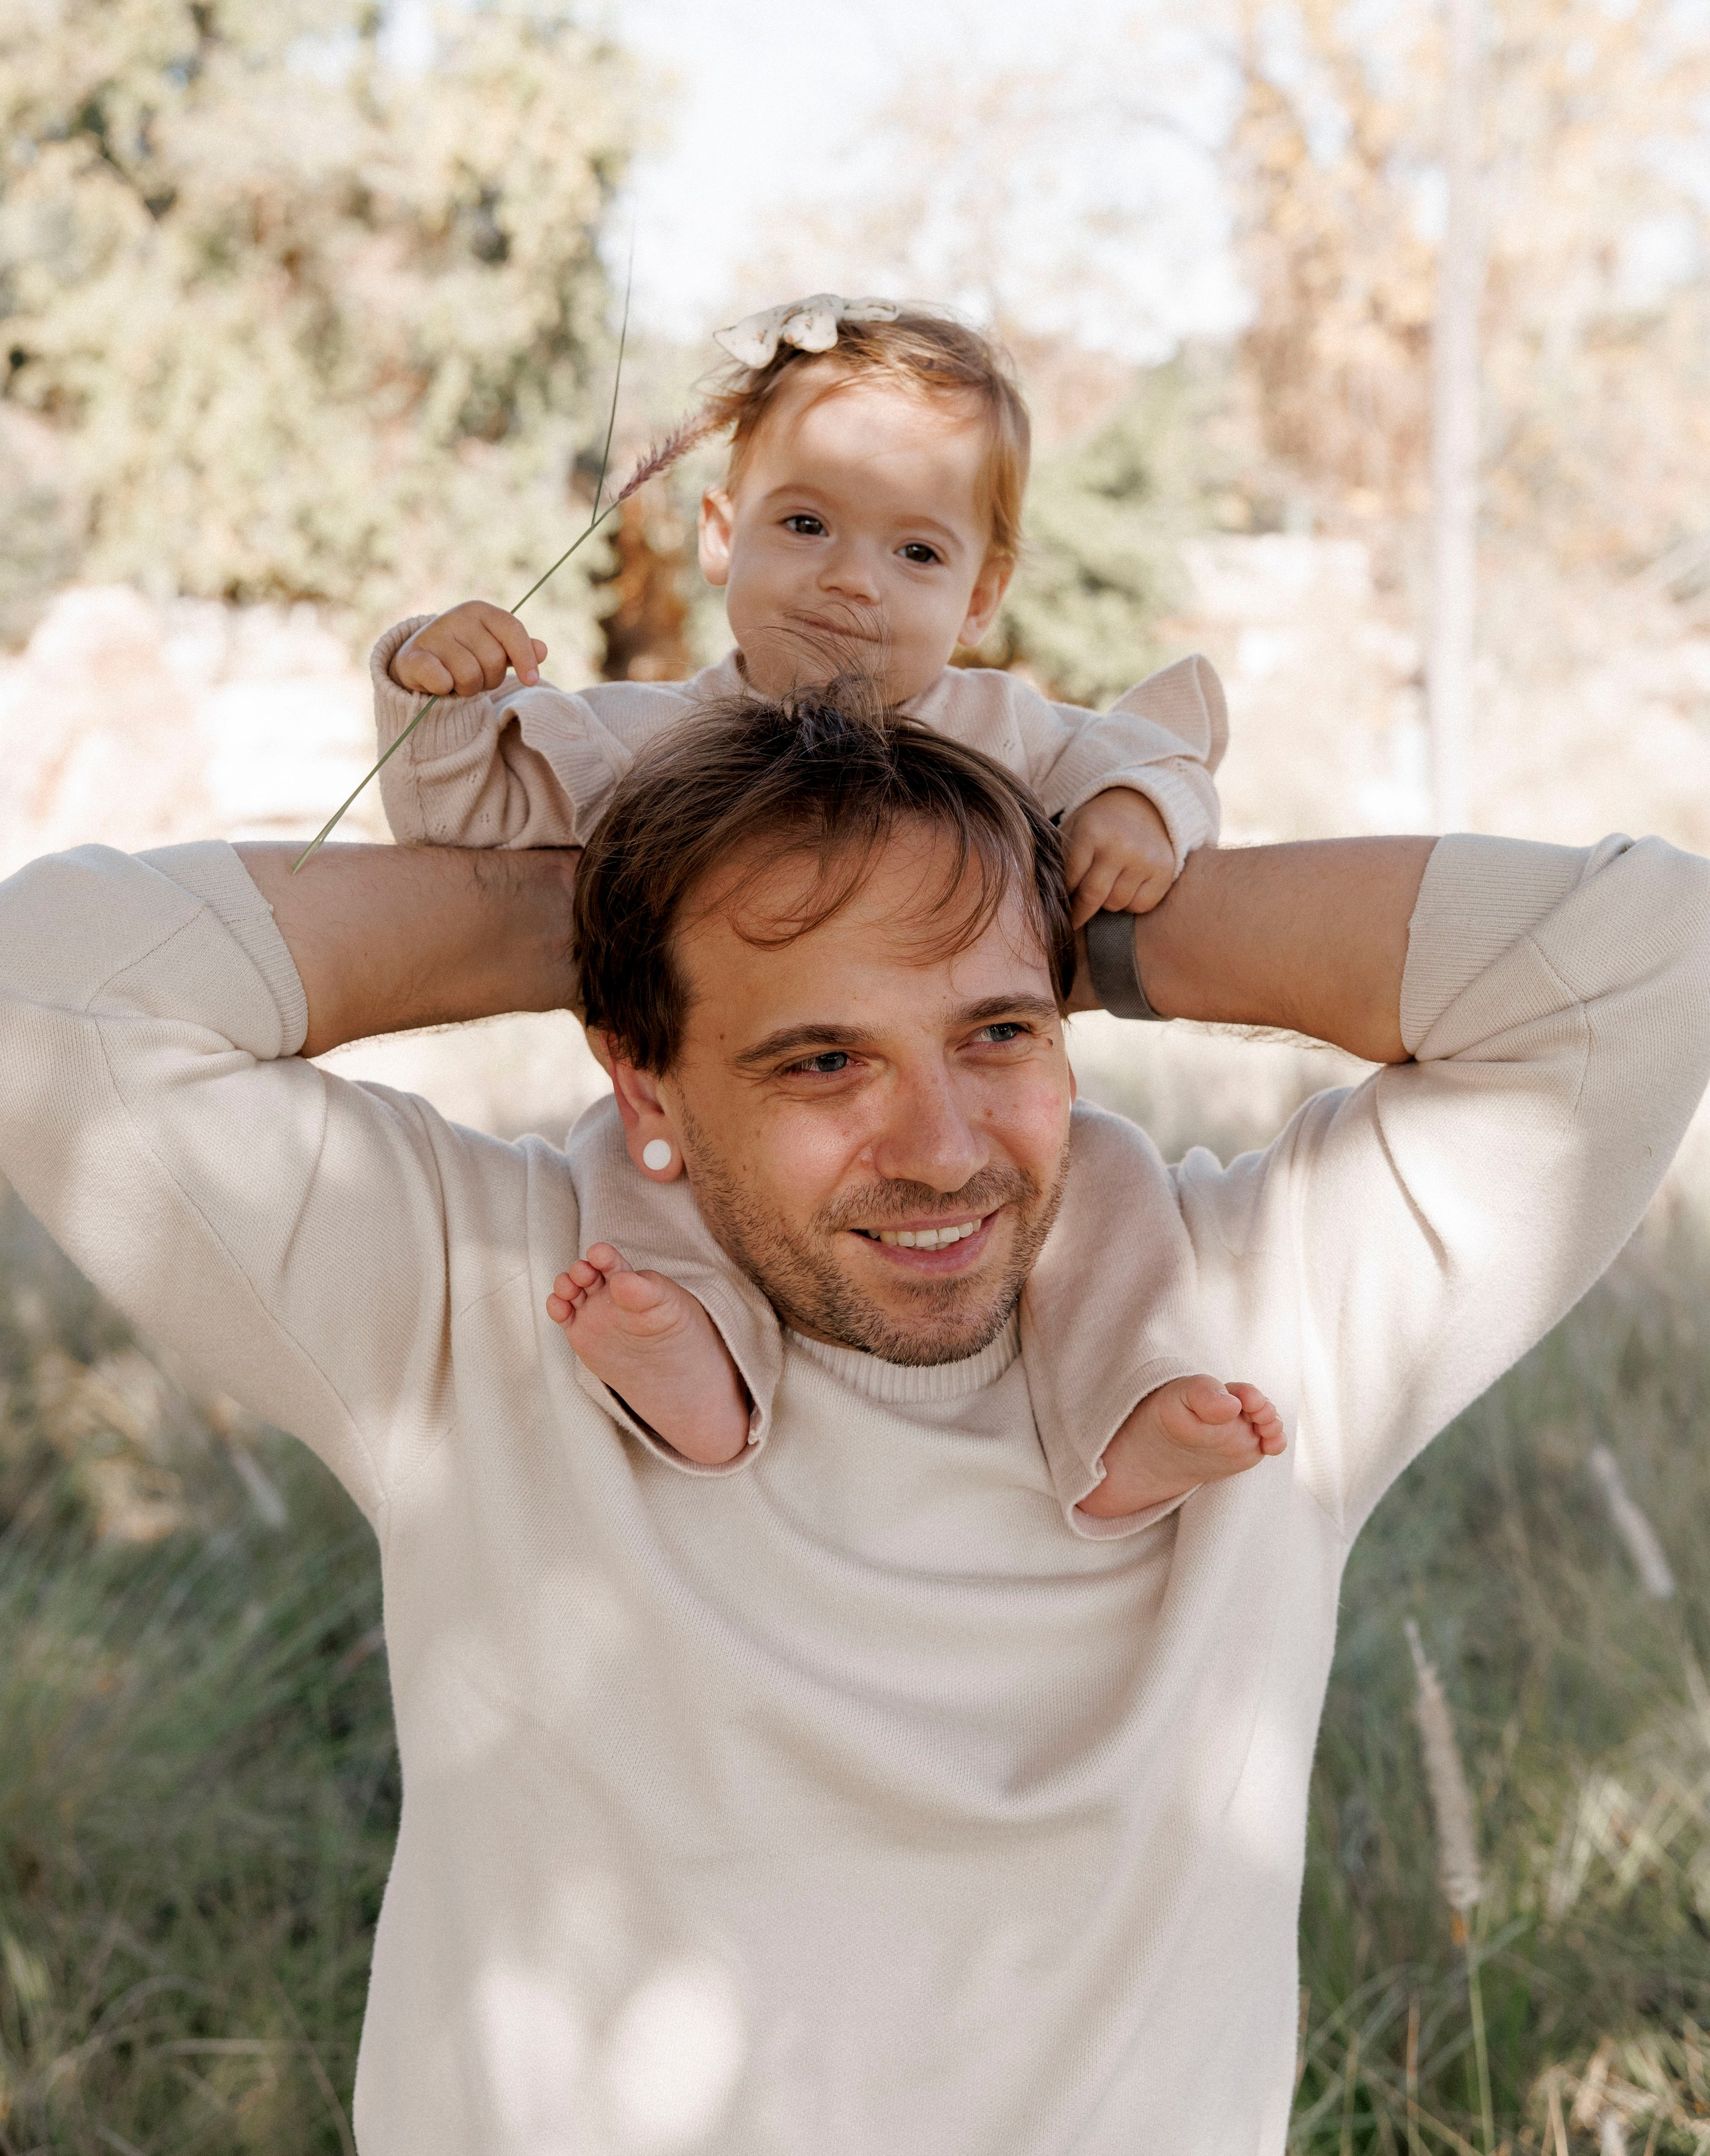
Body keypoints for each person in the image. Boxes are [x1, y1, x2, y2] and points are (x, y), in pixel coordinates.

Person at [2, 691, 1707, 2155]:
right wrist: (634, 904)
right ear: (644, 1082)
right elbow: (58, 986)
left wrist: (1079, 919)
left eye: (998, 1032)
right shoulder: (481, 1298)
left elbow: (1644, 954)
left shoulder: (1248, 1323)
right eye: (820, 1059)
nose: (942, 1145)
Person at [371, 295, 1258, 1524]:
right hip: (739, 1113)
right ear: (722, 532)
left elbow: (1160, 743)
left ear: (983, 589)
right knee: (626, 1157)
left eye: (917, 553)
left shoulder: (1002, 731)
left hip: (961, 1109)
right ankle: (696, 1357)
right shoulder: (656, 739)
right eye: (806, 524)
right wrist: (440, 689)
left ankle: (1126, 1402)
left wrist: (1135, 812)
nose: (853, 581)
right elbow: (470, 816)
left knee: (1107, 1176)